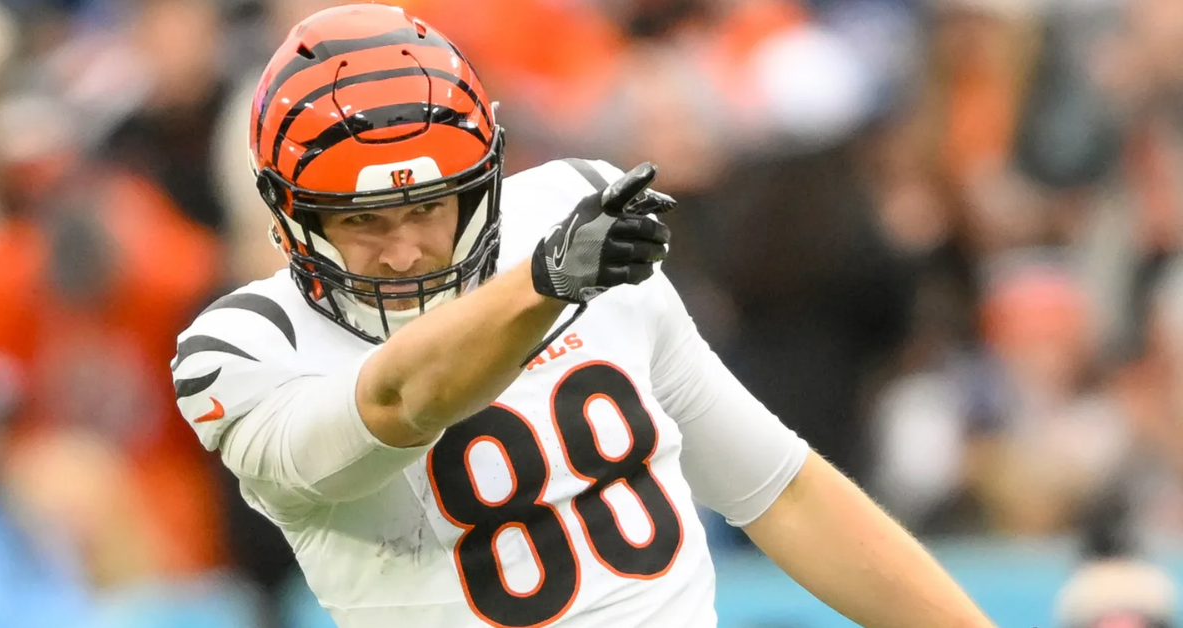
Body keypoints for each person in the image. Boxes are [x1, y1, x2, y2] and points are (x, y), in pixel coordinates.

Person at [170, 3, 997, 627]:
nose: (405, 250)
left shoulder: (563, 212)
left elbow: (778, 490)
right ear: (288, 218)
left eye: (433, 208)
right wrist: (543, 286)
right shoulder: (240, 348)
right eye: (362, 222)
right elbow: (399, 403)